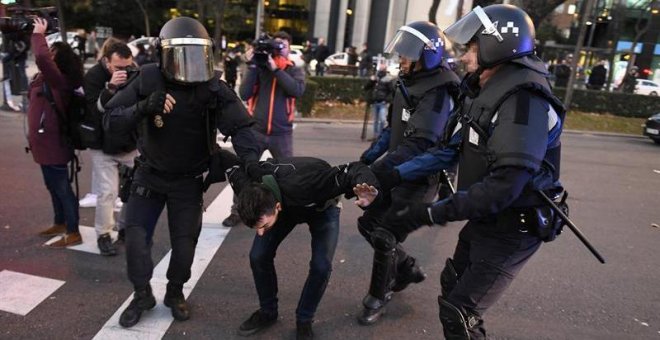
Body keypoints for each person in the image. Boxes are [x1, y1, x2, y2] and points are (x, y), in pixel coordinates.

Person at [383, 5, 566, 338]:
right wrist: (390, 174)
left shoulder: (525, 100)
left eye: (471, 47)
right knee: (452, 283)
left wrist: (430, 212)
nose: (464, 57)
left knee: (459, 313)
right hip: (489, 217)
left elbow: (505, 185)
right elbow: (450, 149)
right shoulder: (484, 91)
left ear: (498, 46)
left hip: (515, 224)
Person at [102, 17, 261, 328]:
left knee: (185, 244)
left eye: (196, 56)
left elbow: (242, 128)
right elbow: (111, 120)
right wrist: (144, 107)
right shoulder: (148, 78)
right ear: (164, 55)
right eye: (181, 55)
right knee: (135, 240)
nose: (189, 66)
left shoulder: (212, 86)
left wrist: (252, 162)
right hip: (149, 176)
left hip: (188, 180)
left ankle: (175, 292)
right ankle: (141, 294)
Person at [356, 21, 460, 325]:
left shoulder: (440, 90)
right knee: (368, 226)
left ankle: (378, 296)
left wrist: (379, 171)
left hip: (418, 177)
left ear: (427, 55)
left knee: (385, 232)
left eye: (408, 53)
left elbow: (420, 143)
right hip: (395, 172)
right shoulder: (408, 81)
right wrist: (368, 159)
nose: (401, 58)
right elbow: (394, 130)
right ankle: (406, 268)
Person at [227, 156, 380, 340]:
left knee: (321, 266)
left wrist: (367, 187)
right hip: (285, 207)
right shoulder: (249, 186)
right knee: (258, 255)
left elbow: (354, 169)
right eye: (256, 228)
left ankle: (304, 319)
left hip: (321, 208)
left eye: (263, 227)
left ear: (276, 207)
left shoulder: (311, 182)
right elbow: (229, 161)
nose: (260, 233)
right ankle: (267, 312)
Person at [221, 31, 305, 227]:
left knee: (287, 174)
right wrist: (252, 65)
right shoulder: (259, 67)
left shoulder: (294, 69)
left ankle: (285, 212)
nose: (278, 49)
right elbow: (244, 92)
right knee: (244, 171)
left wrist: (276, 70)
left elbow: (297, 90)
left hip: (282, 133)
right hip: (256, 130)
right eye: (275, 45)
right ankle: (238, 211)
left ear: (289, 48)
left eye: (282, 46)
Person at [27, 18, 84, 247]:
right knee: (52, 186)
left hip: (55, 143)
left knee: (62, 188)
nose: (48, 54)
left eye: (53, 52)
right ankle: (60, 222)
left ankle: (73, 231)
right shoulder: (47, 79)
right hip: (43, 144)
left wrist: (38, 34)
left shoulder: (59, 80)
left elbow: (41, 58)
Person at [82, 40, 137, 255]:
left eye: (127, 66)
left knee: (134, 189)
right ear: (106, 61)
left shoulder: (135, 72)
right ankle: (103, 234)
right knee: (107, 192)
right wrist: (112, 86)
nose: (123, 71)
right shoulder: (94, 76)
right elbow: (95, 109)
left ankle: (125, 227)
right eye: (118, 67)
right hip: (102, 143)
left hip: (128, 142)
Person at [363, 64, 394, 138]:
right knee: (375, 120)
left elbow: (391, 91)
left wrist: (386, 100)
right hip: (375, 102)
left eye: (382, 69)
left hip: (383, 102)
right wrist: (371, 80)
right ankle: (375, 135)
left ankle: (380, 134)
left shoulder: (387, 79)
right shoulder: (375, 78)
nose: (381, 70)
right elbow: (366, 87)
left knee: (382, 120)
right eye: (380, 69)